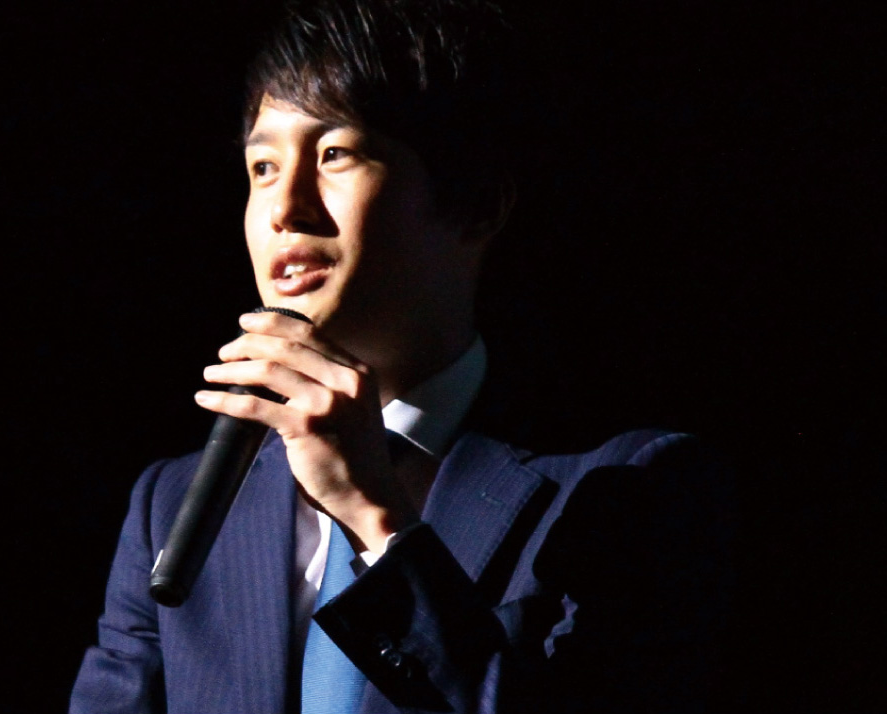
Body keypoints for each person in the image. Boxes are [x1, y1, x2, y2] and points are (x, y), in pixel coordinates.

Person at [69, 1, 733, 712]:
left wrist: (374, 517)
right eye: (262, 166)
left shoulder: (627, 486)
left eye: (335, 154)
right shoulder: (171, 506)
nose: (285, 207)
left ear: (478, 204)